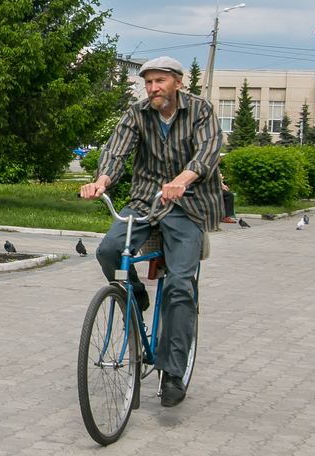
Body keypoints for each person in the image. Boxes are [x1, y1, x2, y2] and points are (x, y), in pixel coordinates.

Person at [79, 56, 223, 408]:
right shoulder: (137, 113)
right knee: (109, 251)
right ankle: (136, 297)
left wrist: (181, 180)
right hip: (145, 201)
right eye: (148, 83)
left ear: (177, 82)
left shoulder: (200, 110)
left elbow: (207, 152)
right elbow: (116, 151)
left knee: (179, 285)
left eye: (160, 81)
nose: (153, 88)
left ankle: (172, 372)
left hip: (188, 204)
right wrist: (101, 181)